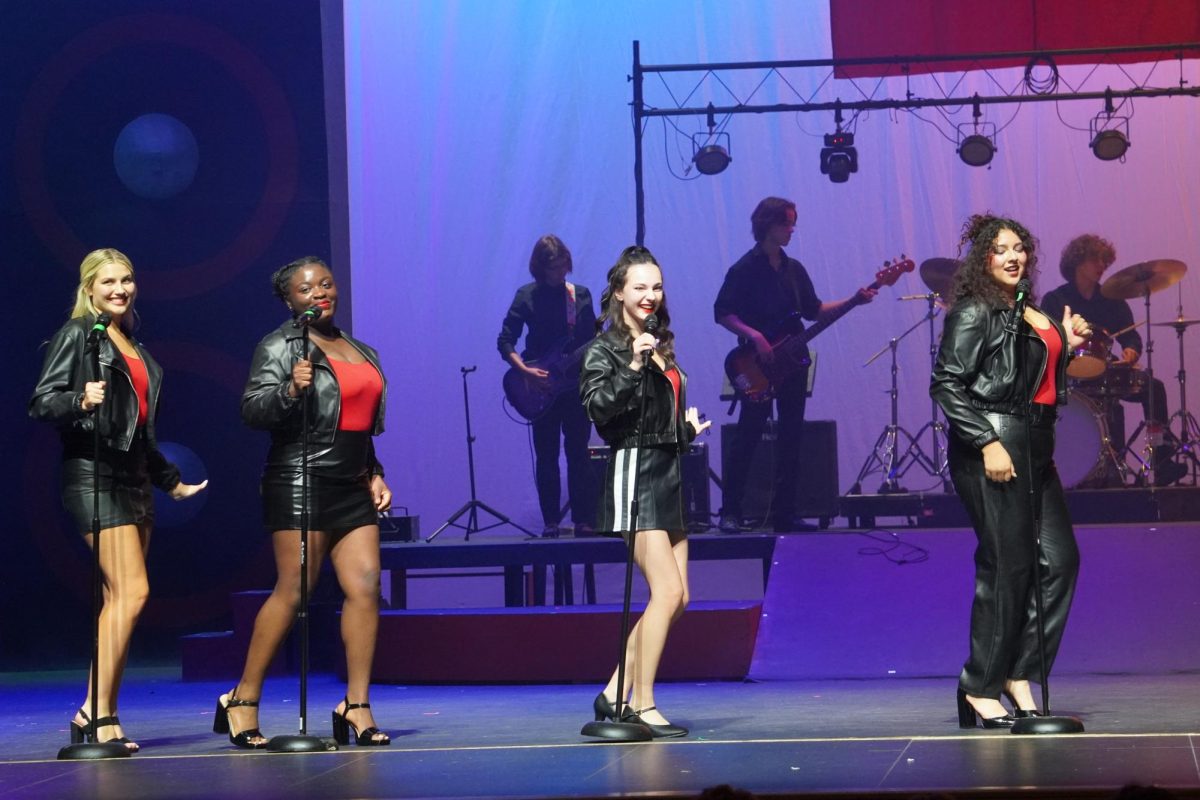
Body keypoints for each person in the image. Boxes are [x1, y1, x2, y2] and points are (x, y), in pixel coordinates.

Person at [29, 248, 208, 752]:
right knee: (132, 592)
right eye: (108, 281)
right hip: (92, 475)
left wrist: (168, 479)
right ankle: (94, 711)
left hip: (132, 479)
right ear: (89, 289)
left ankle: (100, 713)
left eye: (126, 279)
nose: (119, 289)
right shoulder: (77, 337)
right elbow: (42, 401)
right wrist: (78, 399)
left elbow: (142, 429)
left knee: (119, 601)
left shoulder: (133, 345)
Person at [215, 256, 392, 749]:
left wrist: (375, 473)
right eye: (307, 288)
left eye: (327, 284)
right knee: (295, 590)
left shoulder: (360, 349)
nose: (320, 293)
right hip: (300, 477)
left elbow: (356, 421)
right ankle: (242, 699)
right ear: (289, 299)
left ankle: (356, 705)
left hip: (352, 481)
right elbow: (253, 409)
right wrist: (291, 390)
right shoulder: (280, 346)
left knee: (366, 585)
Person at [930, 214, 1093, 727]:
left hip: (1035, 446)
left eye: (1020, 247)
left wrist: (1062, 343)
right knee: (1006, 567)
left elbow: (1024, 380)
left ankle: (1015, 672)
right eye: (1000, 248)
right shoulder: (975, 311)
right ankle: (979, 685)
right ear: (983, 259)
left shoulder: (1023, 310)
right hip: (994, 446)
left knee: (1060, 561)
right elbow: (947, 385)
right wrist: (986, 442)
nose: (1013, 255)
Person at [580, 245, 711, 738]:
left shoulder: (661, 344)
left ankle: (615, 690)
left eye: (656, 286)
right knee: (667, 590)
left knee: (680, 598)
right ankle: (641, 703)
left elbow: (657, 418)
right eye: (639, 287)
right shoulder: (605, 350)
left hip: (668, 472)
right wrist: (634, 368)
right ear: (618, 292)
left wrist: (685, 430)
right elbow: (601, 412)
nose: (650, 295)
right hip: (634, 475)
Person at [715, 197, 875, 533]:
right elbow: (723, 312)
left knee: (792, 438)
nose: (791, 229)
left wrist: (854, 300)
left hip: (792, 364)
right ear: (768, 225)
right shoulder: (743, 269)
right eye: (786, 223)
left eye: (792, 222)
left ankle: (784, 514)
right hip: (756, 365)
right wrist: (754, 335)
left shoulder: (794, 270)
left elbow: (814, 310)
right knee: (747, 436)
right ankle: (730, 511)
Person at [1040, 234, 1186, 487]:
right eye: (1096, 259)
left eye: (1104, 262)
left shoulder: (1111, 299)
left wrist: (1131, 351)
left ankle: (1162, 461)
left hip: (1107, 369)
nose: (1102, 266)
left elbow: (1132, 337)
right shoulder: (1055, 300)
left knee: (1154, 388)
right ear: (1078, 262)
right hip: (1069, 374)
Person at [497, 235, 598, 537]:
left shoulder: (580, 296)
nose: (560, 274)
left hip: (575, 387)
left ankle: (583, 520)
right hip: (539, 387)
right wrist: (525, 371)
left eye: (563, 266)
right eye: (553, 269)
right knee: (547, 454)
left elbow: (590, 341)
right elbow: (505, 340)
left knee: (579, 453)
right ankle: (551, 522)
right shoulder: (527, 295)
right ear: (540, 268)